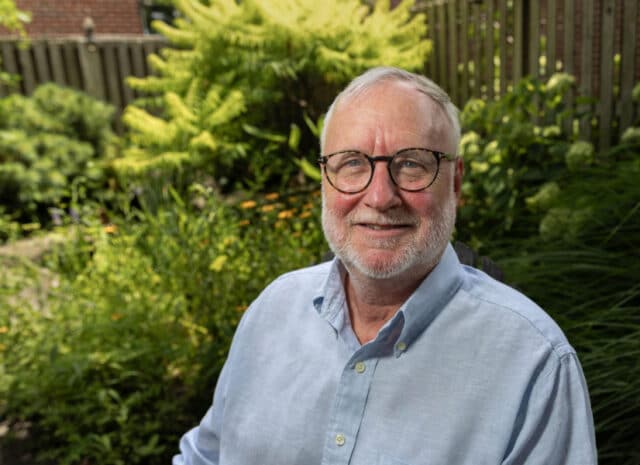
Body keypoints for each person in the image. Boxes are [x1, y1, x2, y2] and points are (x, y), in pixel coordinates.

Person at [173, 67, 597, 465]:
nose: (379, 197)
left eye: (411, 164)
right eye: (352, 163)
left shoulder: (535, 364)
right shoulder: (272, 312)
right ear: (325, 180)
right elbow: (203, 457)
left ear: (456, 183)